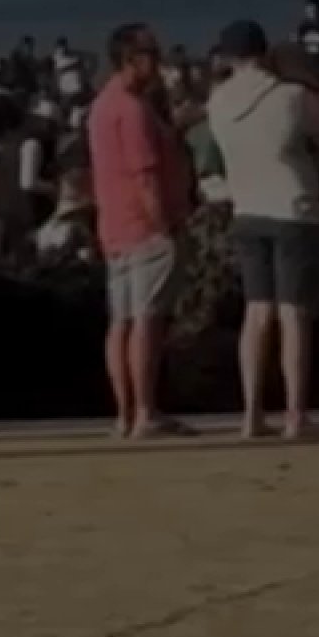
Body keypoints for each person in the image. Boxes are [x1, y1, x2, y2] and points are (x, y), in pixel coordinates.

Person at [206, 21, 319, 440]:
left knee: (257, 313)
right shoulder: (291, 96)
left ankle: (251, 414)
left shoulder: (218, 102)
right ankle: (295, 415)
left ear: (229, 57)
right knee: (294, 314)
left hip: (246, 209)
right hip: (293, 209)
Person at [86, 24, 195, 439]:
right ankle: (145, 409)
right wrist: (164, 223)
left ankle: (126, 412)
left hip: (115, 224)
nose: (157, 61)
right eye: (150, 54)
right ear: (131, 59)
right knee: (146, 320)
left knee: (124, 320)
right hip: (144, 225)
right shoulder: (132, 110)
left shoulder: (102, 106)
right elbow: (144, 175)